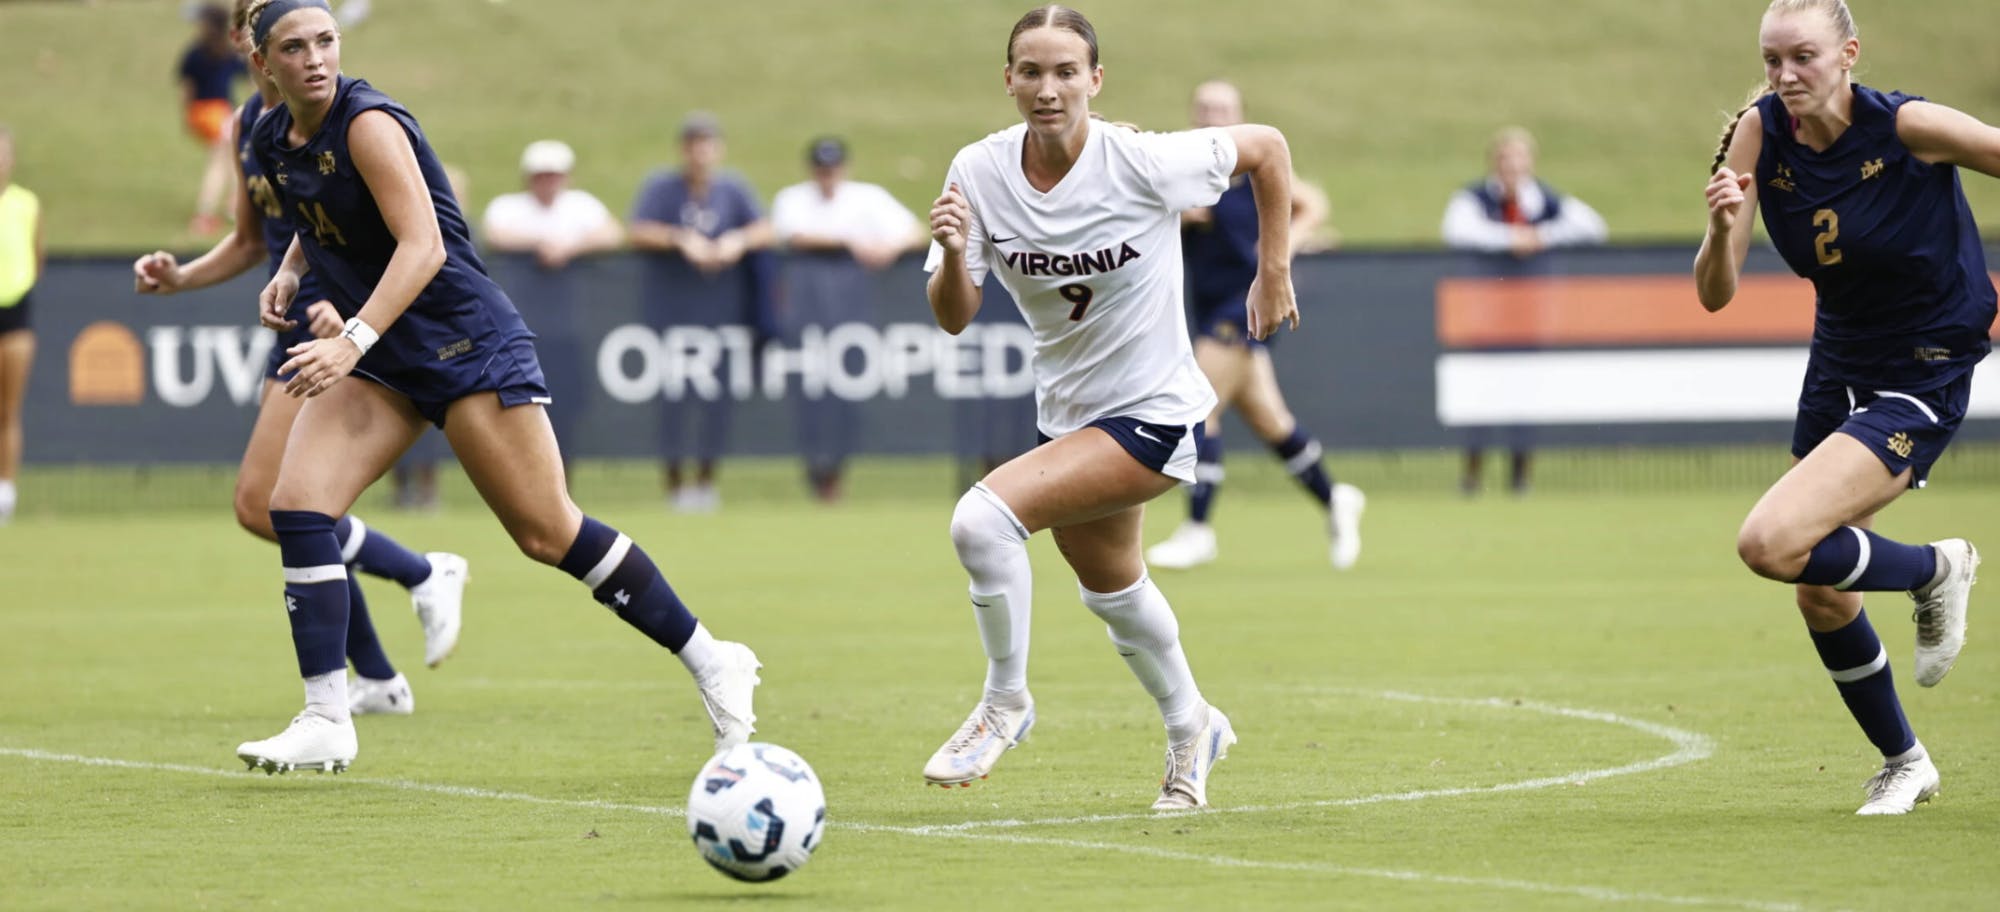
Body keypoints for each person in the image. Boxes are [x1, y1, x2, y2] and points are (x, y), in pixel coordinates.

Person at [223, 0, 760, 773]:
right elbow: (319, 219)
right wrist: (287, 270)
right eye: (295, 46)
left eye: (326, 41)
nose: (315, 58)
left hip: (462, 340)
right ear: (262, 63)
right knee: (297, 505)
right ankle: (327, 715)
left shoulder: (368, 122)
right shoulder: (271, 135)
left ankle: (714, 658)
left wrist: (351, 341)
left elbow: (424, 246)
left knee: (548, 533)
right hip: (385, 353)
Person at [921, 5, 1298, 811]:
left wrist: (1273, 272)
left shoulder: (1142, 160)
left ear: (1096, 80)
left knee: (980, 523)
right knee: (1113, 588)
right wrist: (955, 253)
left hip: (1156, 412)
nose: (1048, 87)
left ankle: (1004, 704)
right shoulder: (978, 171)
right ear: (1010, 80)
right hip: (1068, 414)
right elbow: (954, 314)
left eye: (1066, 71)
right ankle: (1194, 725)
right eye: (1031, 71)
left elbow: (1267, 149)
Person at [1694, 0, 1998, 815]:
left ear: (1849, 54)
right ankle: (1906, 761)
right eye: (1771, 59)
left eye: (1802, 57)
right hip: (1841, 359)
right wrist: (1721, 229)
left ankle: (1938, 567)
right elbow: (1715, 296)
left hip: (1926, 360)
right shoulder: (1760, 133)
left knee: (1770, 541)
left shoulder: (1907, 128)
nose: (1784, 76)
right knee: (1815, 583)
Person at [134, 0, 467, 718]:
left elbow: (392, 229)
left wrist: (347, 316)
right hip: (297, 319)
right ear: (247, 44)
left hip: (344, 319)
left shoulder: (347, 117)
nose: (306, 52)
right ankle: (382, 661)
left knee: (276, 506)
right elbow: (254, 240)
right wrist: (182, 277)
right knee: (273, 508)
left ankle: (412, 592)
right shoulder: (251, 129)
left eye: (318, 37)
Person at [1145, 80, 1364, 572]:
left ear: (1240, 114)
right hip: (1210, 306)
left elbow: (1310, 203)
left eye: (1223, 108)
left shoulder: (1251, 168)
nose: (1213, 115)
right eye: (1204, 108)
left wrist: (1282, 247)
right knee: (1273, 424)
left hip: (1244, 307)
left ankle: (1198, 529)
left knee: (1196, 407)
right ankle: (1335, 500)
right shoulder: (1187, 170)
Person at [1441, 126, 1608, 496]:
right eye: (1505, 159)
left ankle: (1520, 476)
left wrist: (1540, 236)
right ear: (1494, 163)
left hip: (1530, 316)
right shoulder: (1475, 198)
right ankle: (1472, 474)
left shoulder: (1545, 202)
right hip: (1484, 316)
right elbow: (1456, 230)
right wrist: (1510, 238)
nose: (1512, 167)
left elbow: (1594, 227)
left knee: (1525, 395)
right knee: (1480, 396)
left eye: (1520, 159)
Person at [629, 112, 772, 513]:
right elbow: (636, 230)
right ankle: (674, 484)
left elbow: (766, 228)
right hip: (672, 316)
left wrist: (736, 241)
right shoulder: (662, 187)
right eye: (693, 143)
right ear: (683, 149)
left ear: (718, 149)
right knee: (672, 400)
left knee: (717, 402)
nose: (700, 152)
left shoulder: (733, 189)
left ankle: (707, 482)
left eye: (707, 143)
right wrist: (680, 239)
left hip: (721, 317)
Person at [769, 136, 924, 501]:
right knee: (809, 396)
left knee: (848, 398)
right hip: (806, 318)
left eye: (833, 167)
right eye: (821, 169)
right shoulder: (792, 199)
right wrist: (852, 243)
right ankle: (816, 472)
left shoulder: (868, 198)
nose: (828, 176)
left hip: (853, 317)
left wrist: (890, 247)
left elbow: (913, 231)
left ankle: (835, 474)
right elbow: (795, 236)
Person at [481, 140, 624, 456]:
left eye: (554, 175)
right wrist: (540, 243)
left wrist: (569, 247)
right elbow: (494, 233)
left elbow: (613, 233)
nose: (548, 182)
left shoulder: (580, 206)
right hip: (518, 327)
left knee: (566, 407)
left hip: (567, 327)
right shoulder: (510, 207)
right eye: (541, 175)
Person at [0, 126, 41, 526]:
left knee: (8, 410)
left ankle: (5, 496)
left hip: (14, 315)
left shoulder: (25, 204)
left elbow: (36, 256)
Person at [179, 2, 248, 237]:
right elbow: (249, 75)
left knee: (231, 157)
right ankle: (207, 213)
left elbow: (187, 88)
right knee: (223, 161)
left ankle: (232, 205)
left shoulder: (195, 53)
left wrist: (186, 116)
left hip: (201, 113)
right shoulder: (226, 53)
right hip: (217, 113)